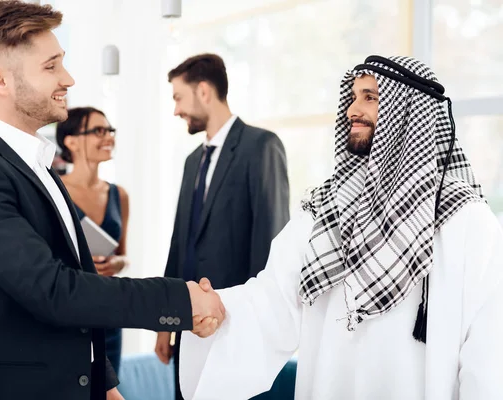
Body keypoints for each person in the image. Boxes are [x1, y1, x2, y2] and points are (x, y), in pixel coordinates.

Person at [0, 2, 224, 400]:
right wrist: (181, 300)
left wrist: (105, 382)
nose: (68, 78)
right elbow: (53, 291)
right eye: (51, 67)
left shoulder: (38, 165)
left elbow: (77, 282)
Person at [179, 55, 503, 399]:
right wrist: (210, 307)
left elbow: (488, 350)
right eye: (353, 97)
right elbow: (273, 300)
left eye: (370, 97)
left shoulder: (465, 221)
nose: (352, 110)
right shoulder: (325, 209)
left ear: (411, 113)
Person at [156, 53, 290, 400]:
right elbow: (179, 245)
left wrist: (255, 325)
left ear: (203, 91)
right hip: (188, 327)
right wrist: (163, 321)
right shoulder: (190, 162)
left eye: (177, 97)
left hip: (236, 328)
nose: (175, 110)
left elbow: (270, 243)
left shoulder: (261, 146)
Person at [56, 107, 128, 374]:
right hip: (69, 312)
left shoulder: (118, 195)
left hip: (109, 313)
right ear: (71, 141)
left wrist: (118, 264)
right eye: (99, 131)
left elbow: (122, 253)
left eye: (110, 130)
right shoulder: (54, 190)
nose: (108, 137)